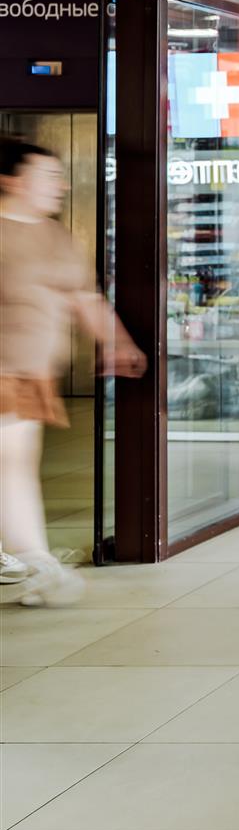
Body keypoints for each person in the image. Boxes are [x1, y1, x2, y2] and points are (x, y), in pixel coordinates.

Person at [0, 138, 146, 606]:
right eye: (47, 177)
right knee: (12, 462)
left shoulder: (54, 236)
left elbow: (84, 297)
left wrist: (117, 342)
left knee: (15, 463)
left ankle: (29, 560)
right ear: (12, 181)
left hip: (31, 374)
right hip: (4, 371)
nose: (60, 186)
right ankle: (34, 562)